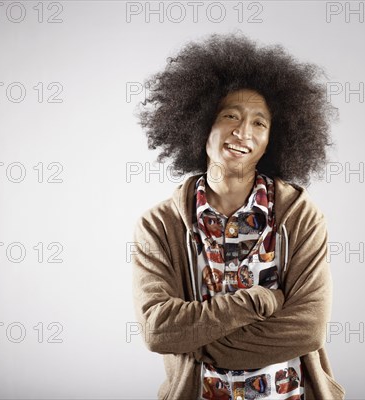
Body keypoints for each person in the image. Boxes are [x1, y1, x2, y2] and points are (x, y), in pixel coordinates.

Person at [131, 32, 345, 399]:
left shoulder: (301, 217)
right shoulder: (158, 226)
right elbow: (159, 331)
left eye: (259, 123)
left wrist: (197, 340)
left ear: (273, 138)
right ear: (200, 123)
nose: (243, 131)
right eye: (230, 115)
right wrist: (259, 301)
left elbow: (307, 329)